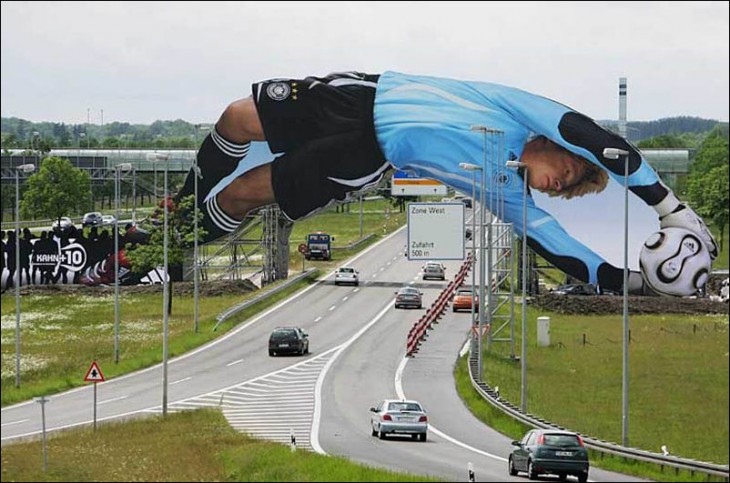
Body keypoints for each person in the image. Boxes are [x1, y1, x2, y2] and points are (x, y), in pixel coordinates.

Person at [174, 71, 718, 295]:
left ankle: (172, 251)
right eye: (569, 175)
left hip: (365, 154)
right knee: (235, 117)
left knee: (244, 195)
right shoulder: (520, 110)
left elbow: (563, 248)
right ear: (561, 149)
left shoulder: (507, 192)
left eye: (562, 192)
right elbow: (594, 136)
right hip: (362, 95)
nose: (556, 187)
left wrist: (633, 283)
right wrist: (667, 207)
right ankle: (173, 218)